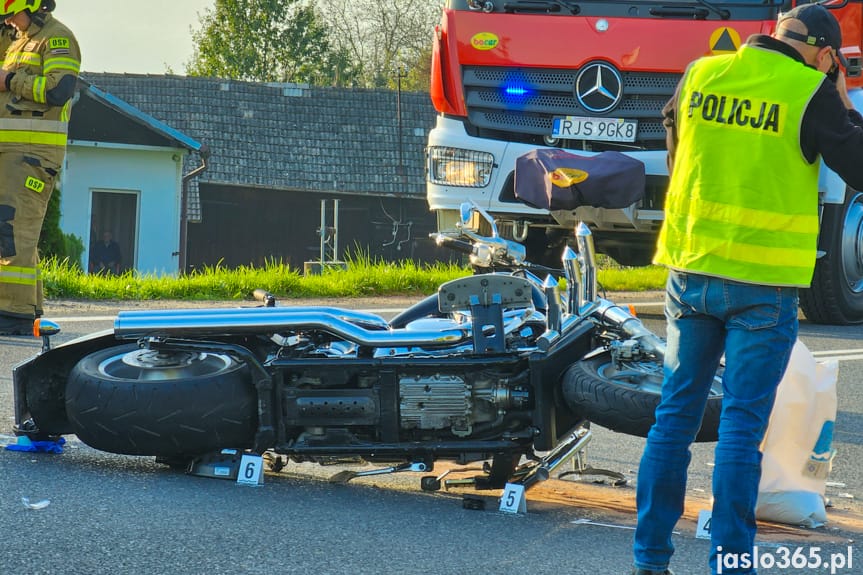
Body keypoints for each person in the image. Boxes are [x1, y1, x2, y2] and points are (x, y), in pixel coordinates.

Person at [631, 4, 863, 575]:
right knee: (741, 425)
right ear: (825, 53)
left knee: (674, 417)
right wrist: (837, 97)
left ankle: (649, 559)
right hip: (764, 284)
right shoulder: (809, 92)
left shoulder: (702, 73)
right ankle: (731, 562)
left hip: (691, 272)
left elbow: (677, 147)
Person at [0, 0, 80, 335]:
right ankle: (29, 310)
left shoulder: (57, 38)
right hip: (10, 150)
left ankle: (11, 313)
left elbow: (60, 90)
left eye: (10, 13)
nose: (8, 20)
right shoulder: (14, 40)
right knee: (17, 230)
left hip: (34, 153)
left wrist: (10, 81)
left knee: (12, 229)